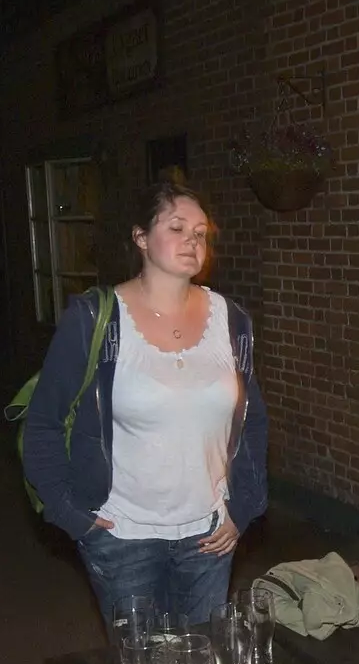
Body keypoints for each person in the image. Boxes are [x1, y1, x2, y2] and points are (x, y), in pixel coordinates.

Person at [22, 181, 268, 631]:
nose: (193, 241)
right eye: (177, 228)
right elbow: (44, 424)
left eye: (200, 233)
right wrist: (71, 514)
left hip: (208, 534)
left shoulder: (232, 320)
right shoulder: (96, 318)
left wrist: (244, 505)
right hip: (122, 535)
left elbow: (251, 421)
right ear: (140, 237)